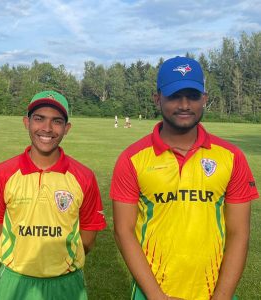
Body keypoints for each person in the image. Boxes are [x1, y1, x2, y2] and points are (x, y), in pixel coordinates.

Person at [110, 56, 258, 300]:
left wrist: (221, 297)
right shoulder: (132, 159)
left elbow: (239, 232)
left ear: (205, 99)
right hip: (152, 293)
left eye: (193, 95)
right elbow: (123, 231)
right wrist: (156, 296)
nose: (184, 104)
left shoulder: (232, 157)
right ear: (157, 98)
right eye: (174, 96)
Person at [0, 90, 107, 300]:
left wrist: (63, 261)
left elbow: (89, 234)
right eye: (39, 119)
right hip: (16, 279)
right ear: (26, 122)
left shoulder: (83, 176)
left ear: (67, 128)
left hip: (66, 282)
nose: (47, 128)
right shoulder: (2, 173)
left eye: (56, 121)